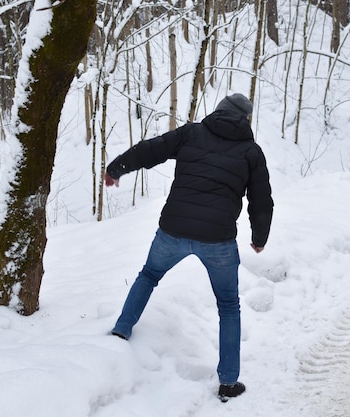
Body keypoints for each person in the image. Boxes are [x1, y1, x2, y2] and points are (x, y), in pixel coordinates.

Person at [104, 93, 273, 401]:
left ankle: (121, 330)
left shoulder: (192, 133)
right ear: (245, 120)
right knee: (228, 306)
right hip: (218, 241)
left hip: (174, 230)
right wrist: (259, 238)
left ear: (219, 111)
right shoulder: (251, 151)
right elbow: (261, 200)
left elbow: (150, 150)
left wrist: (117, 167)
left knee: (149, 275)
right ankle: (229, 382)